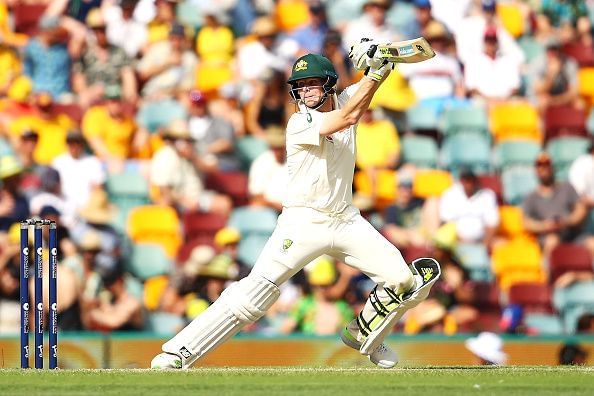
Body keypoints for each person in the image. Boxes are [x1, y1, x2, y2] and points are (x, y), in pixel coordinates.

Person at [151, 42, 441, 370]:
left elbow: (368, 87)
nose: (304, 91)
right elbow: (349, 117)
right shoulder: (299, 123)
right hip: (302, 222)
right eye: (299, 86)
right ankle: (178, 353)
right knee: (254, 294)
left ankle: (362, 333)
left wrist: (379, 59)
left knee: (405, 281)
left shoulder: (345, 98)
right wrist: (375, 71)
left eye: (311, 83)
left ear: (329, 83)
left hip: (346, 219)